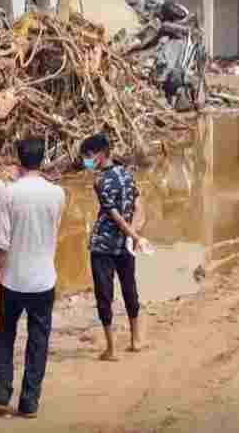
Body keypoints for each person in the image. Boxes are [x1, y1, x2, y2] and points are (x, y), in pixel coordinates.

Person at [0, 137, 66, 419]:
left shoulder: (9, 194)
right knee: (38, 340)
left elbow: (1, 245)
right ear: (42, 160)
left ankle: (1, 394)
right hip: (43, 280)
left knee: (6, 335)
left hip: (13, 280)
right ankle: (29, 402)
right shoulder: (57, 194)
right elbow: (53, 229)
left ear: (18, 161)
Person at [80, 134, 147, 361]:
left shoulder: (100, 181)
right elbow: (139, 207)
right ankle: (135, 339)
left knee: (104, 295)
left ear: (99, 155)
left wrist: (133, 235)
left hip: (103, 245)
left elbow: (114, 216)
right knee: (130, 288)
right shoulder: (127, 174)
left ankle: (110, 349)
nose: (86, 162)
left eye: (88, 157)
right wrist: (135, 235)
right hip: (125, 245)